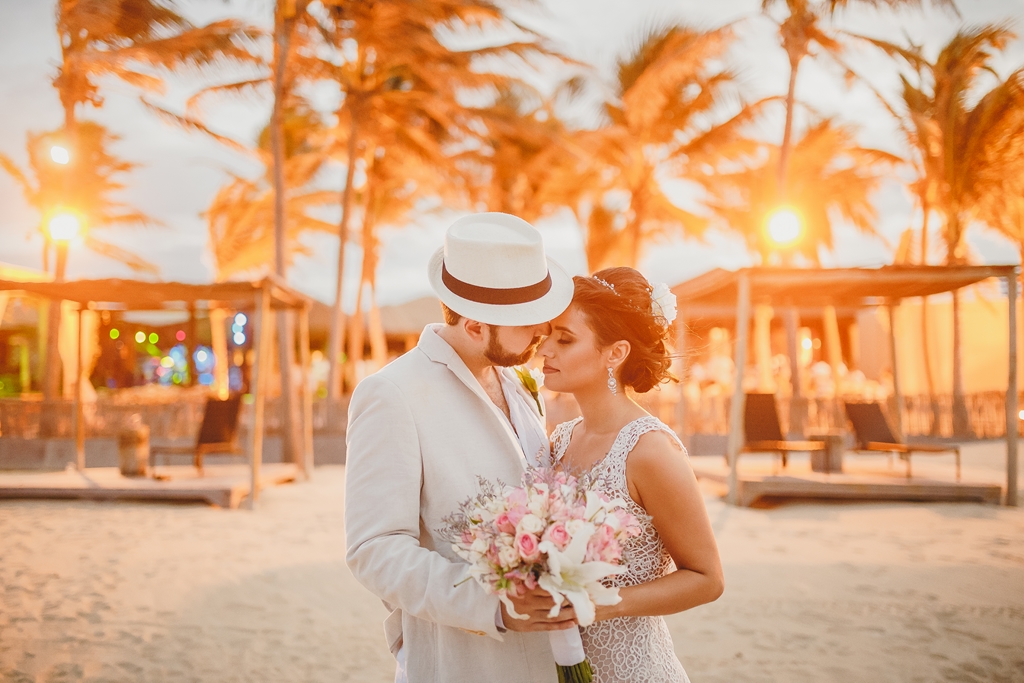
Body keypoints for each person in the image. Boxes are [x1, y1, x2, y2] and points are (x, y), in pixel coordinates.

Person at [345, 212, 577, 683]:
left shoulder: (520, 381)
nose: (543, 333)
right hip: (462, 658)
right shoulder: (392, 393)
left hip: (549, 654)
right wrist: (493, 604)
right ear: (474, 326)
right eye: (527, 322)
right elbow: (374, 549)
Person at [537, 266, 725, 683]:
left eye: (564, 339)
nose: (545, 349)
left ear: (615, 353)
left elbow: (707, 578)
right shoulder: (561, 440)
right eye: (548, 334)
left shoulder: (650, 450)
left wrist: (607, 602)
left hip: (634, 671)